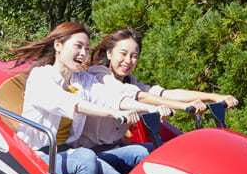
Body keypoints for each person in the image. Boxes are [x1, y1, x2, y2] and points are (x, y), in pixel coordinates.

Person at [11, 22, 152, 174]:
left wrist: (150, 109)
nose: (83, 54)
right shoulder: (41, 77)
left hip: (68, 151)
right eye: (78, 46)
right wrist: (112, 113)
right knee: (85, 158)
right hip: (37, 155)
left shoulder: (81, 79)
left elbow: (108, 97)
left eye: (86, 48)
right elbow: (69, 103)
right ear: (58, 46)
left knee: (141, 151)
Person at [81, 28, 238, 148]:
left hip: (115, 147)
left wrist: (214, 97)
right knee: (145, 153)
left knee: (165, 152)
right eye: (123, 54)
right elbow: (141, 97)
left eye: (134, 56)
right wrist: (184, 107)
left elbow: (166, 94)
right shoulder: (99, 76)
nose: (128, 60)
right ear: (109, 54)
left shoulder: (131, 82)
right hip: (92, 149)